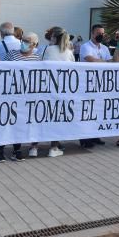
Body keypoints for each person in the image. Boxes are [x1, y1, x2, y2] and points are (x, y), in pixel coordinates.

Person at [0, 32, 40, 162]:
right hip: (10, 94)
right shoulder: (12, 55)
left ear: (34, 44)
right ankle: (0, 150)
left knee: (20, 123)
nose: (24, 43)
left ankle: (17, 150)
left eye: (28, 41)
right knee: (5, 122)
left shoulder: (37, 58)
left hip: (26, 96)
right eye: (23, 40)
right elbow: (1, 70)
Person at [31, 26, 73, 158]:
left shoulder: (47, 49)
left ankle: (34, 147)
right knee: (57, 118)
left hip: (45, 88)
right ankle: (53, 147)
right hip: (61, 90)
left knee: (39, 118)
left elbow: (39, 64)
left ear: (55, 37)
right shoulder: (68, 52)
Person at [79, 24, 112, 148]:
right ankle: (84, 138)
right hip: (87, 84)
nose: (101, 35)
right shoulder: (85, 47)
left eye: (102, 33)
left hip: (101, 84)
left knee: (97, 110)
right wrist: (104, 62)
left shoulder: (104, 48)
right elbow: (90, 59)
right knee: (86, 111)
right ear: (92, 34)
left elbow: (110, 61)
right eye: (98, 33)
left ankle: (95, 135)